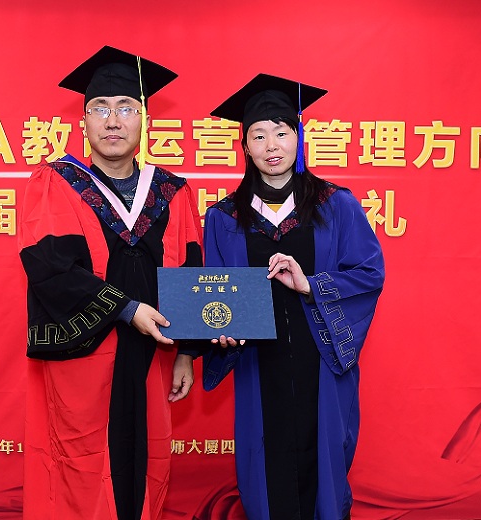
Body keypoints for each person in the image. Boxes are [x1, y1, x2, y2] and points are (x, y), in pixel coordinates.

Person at [16, 46, 203, 520]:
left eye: (126, 108)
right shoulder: (57, 183)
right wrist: (127, 309)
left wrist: (186, 351)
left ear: (144, 120)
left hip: (153, 355)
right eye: (100, 109)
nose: (113, 121)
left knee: (146, 459)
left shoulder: (172, 192)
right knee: (82, 464)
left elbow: (190, 272)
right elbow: (51, 269)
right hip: (84, 356)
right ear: (83, 122)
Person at [201, 74, 385, 520]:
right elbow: (214, 292)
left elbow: (369, 273)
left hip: (320, 358)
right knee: (264, 466)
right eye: (258, 135)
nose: (272, 146)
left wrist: (311, 285)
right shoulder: (224, 217)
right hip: (257, 363)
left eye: (281, 132)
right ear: (245, 146)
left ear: (298, 138)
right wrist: (219, 331)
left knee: (324, 462)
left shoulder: (335, 204)